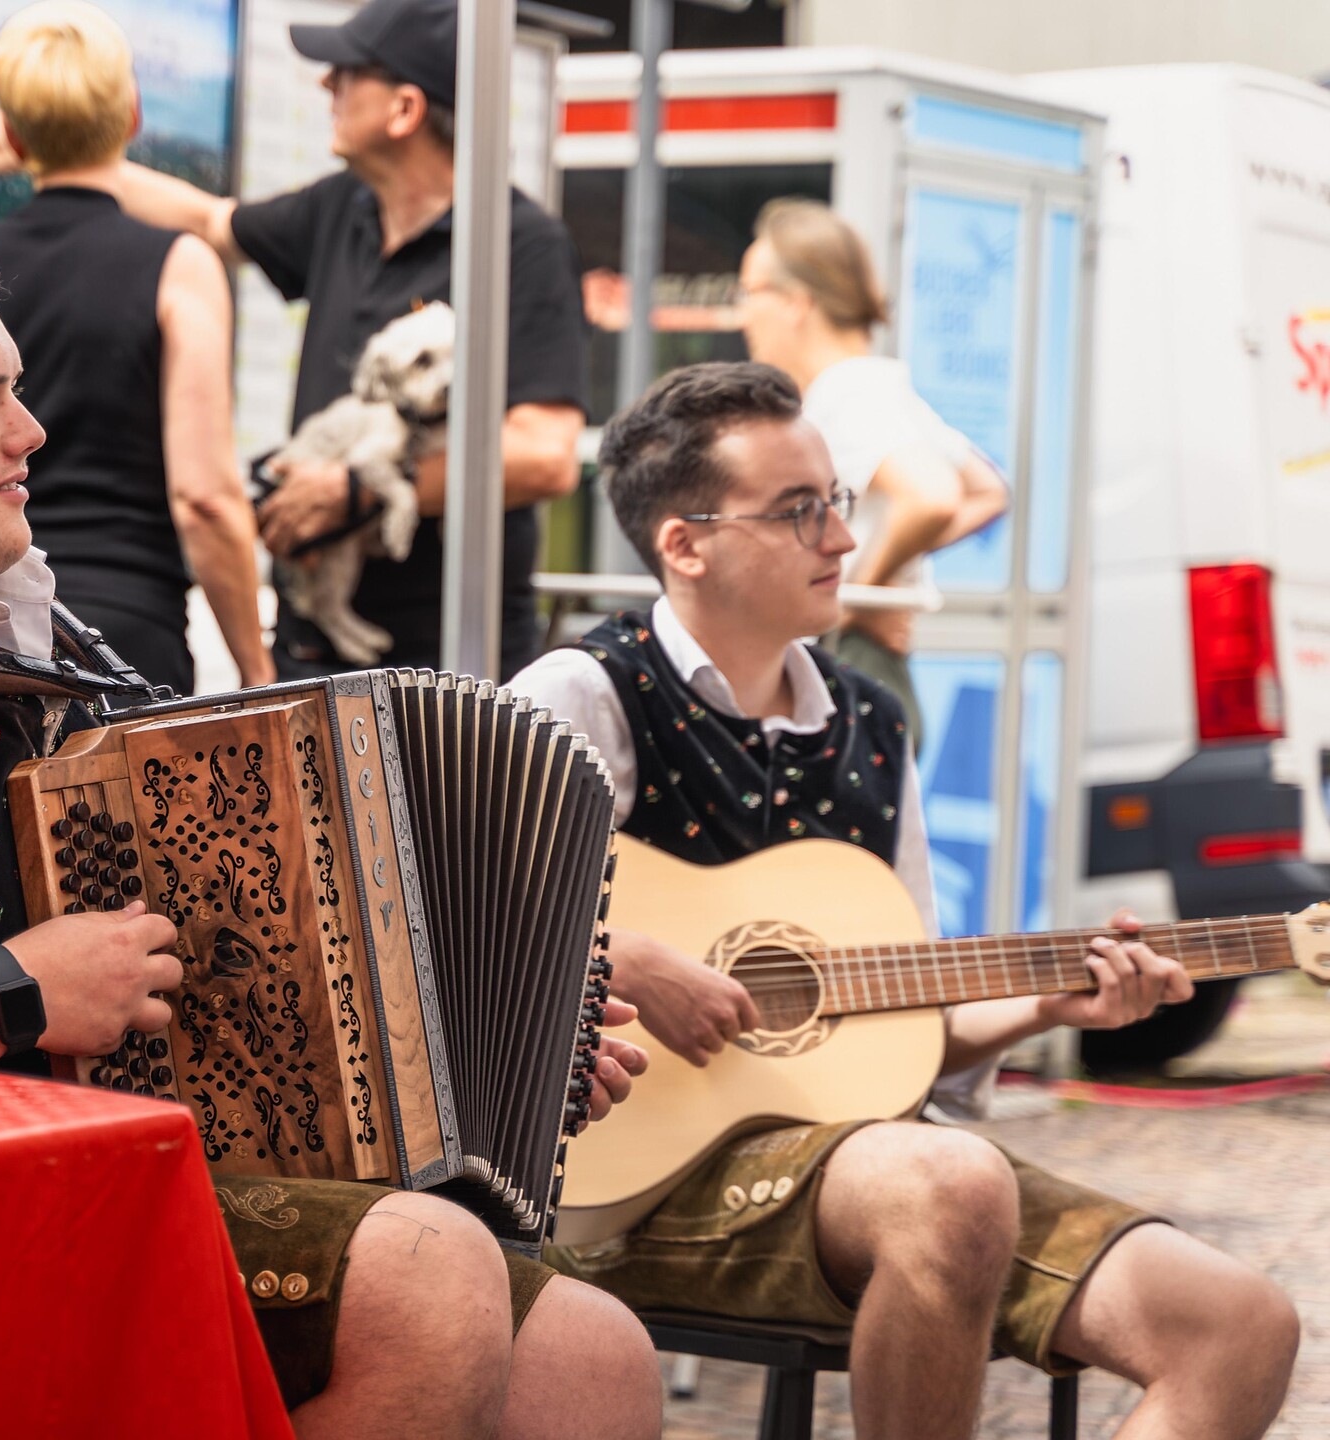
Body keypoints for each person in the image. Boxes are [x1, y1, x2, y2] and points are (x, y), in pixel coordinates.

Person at [0, 227, 661, 1438]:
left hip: (107, 1166)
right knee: (424, 1278)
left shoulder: (42, 646)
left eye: (19, 391)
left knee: (593, 1353)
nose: (29, 432)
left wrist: (507, 1022)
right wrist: (2, 994)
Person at [510, 362, 1299, 1440]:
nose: (843, 538)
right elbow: (432, 913)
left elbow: (904, 1017)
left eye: (836, 500)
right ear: (683, 544)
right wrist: (621, 956)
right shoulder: (581, 694)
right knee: (952, 1182)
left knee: (1238, 1325)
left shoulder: (871, 726)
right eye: (799, 511)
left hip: (868, 1163)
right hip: (623, 1182)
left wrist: (1051, 1005)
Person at [0, 0, 589, 682]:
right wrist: (52, 147)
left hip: (443, 652)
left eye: (346, 74)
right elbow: (214, 219)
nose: (326, 87)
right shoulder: (339, 210)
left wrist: (362, 489)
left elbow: (545, 456)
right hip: (312, 646)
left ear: (405, 110)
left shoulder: (518, 245)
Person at [0, 1, 270, 694]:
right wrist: (258, 669)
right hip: (130, 645)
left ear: (13, 137)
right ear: (133, 116)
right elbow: (204, 498)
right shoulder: (180, 265)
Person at [736, 198, 1009, 743]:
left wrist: (856, 598)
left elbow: (933, 496)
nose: (742, 312)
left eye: (749, 292)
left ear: (796, 301)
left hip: (852, 661)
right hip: (875, 664)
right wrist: (885, 579)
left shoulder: (846, 393)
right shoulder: (878, 382)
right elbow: (985, 491)